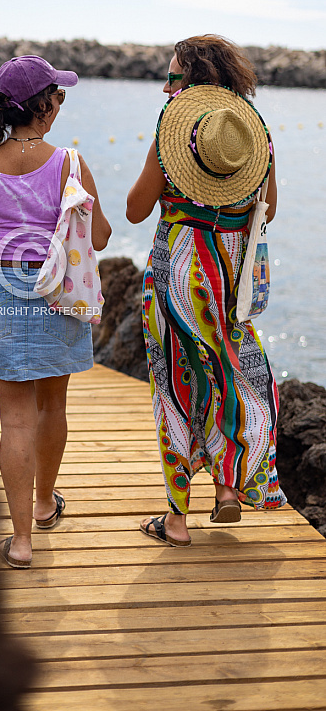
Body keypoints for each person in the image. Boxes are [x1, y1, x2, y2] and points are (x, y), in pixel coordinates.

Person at [0, 56, 111, 568]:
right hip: (54, 294)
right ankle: (42, 504)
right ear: (41, 106)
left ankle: (20, 542)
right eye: (57, 97)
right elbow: (98, 237)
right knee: (51, 406)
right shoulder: (69, 165)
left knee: (13, 420)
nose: (60, 105)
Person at [126, 34, 286, 548]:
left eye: (172, 77)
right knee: (228, 374)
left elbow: (134, 209)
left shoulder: (174, 138)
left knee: (177, 388)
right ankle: (227, 490)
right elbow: (271, 211)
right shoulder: (251, 139)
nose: (166, 86)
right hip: (229, 282)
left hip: (177, 277)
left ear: (192, 83)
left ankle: (175, 520)